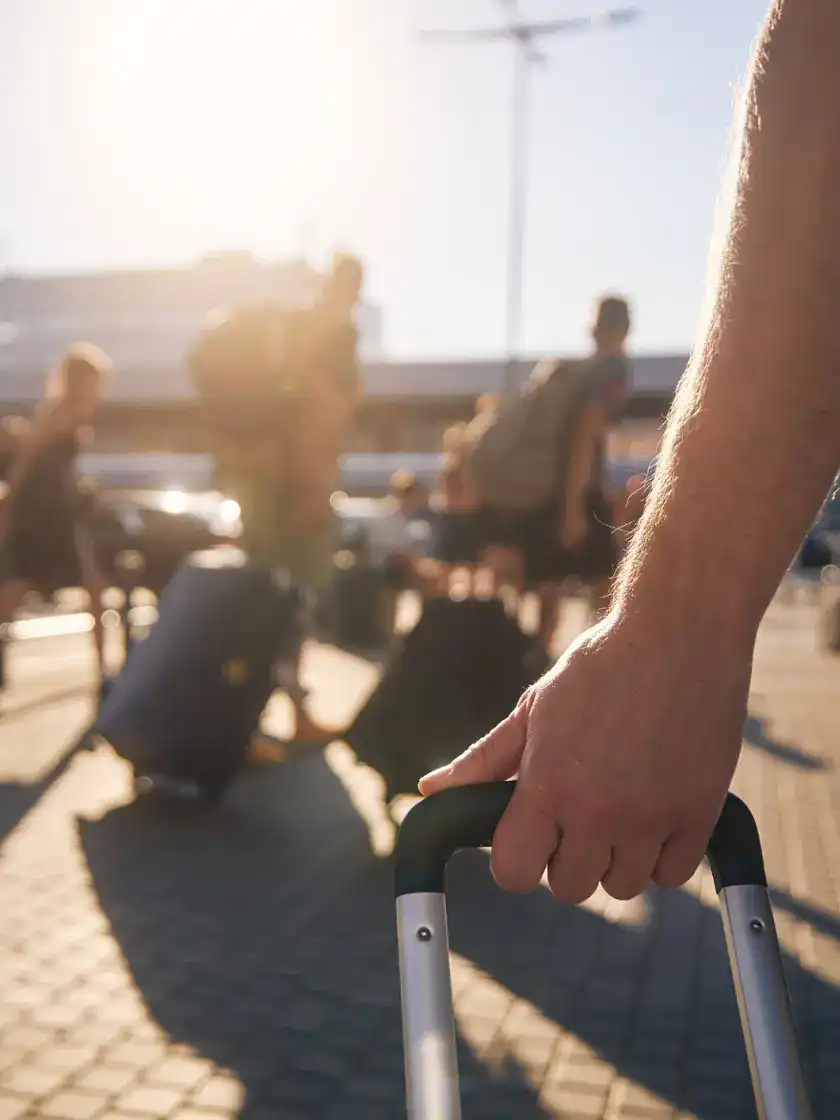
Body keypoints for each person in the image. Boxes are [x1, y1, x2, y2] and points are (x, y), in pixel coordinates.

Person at [420, 0, 839, 905]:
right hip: (561, 499)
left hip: (535, 504)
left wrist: (670, 637)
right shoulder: (602, 377)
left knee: (531, 582)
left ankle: (528, 666)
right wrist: (669, 641)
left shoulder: (569, 367)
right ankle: (536, 661)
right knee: (550, 582)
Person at [209, 252, 365, 746]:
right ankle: (282, 717)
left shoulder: (294, 328)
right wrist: (313, 485)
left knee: (261, 599)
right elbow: (320, 408)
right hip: (295, 483)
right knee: (290, 601)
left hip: (261, 480)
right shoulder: (334, 334)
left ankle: (248, 715)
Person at [0, 344, 112, 681]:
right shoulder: (59, 411)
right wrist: (11, 502)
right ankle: (104, 670)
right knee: (27, 583)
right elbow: (30, 458)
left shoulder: (74, 412)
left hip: (58, 509)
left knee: (29, 583)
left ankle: (103, 668)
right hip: (45, 511)